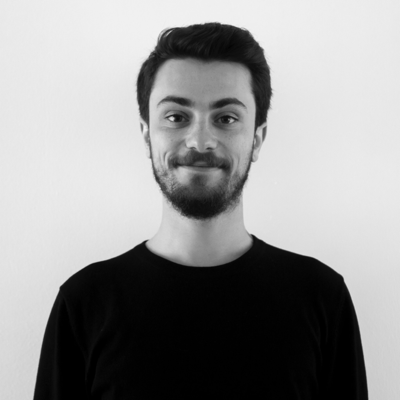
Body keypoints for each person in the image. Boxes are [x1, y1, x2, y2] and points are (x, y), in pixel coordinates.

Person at [33, 22, 368, 399]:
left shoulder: (322, 298)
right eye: (176, 116)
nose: (200, 141)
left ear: (257, 139)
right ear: (147, 134)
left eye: (226, 118)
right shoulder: (84, 303)